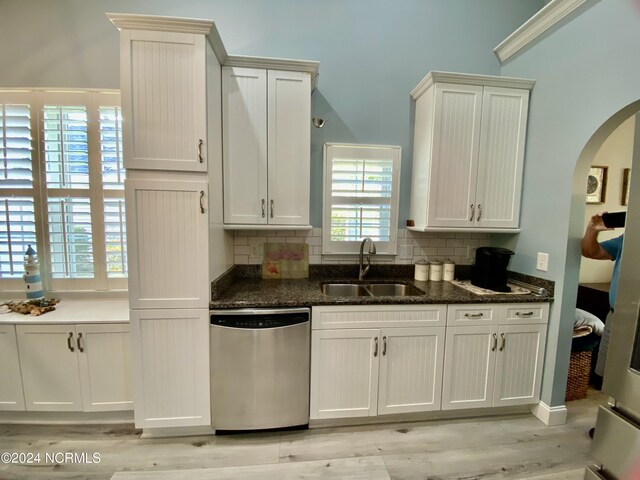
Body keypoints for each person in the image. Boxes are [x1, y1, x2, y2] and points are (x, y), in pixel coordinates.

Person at [581, 212, 624, 439]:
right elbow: (590, 251)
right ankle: (612, 427)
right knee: (611, 376)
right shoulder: (628, 239)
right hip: (616, 316)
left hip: (636, 322)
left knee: (631, 381)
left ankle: (624, 432)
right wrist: (593, 230)